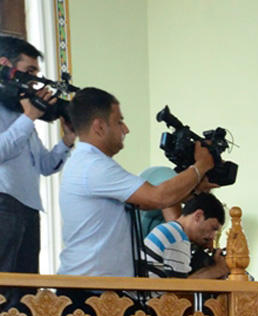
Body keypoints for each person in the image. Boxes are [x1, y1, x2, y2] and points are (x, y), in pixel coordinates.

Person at [58, 87, 214, 277]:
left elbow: (144, 204)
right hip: (91, 287)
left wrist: (195, 188)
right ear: (99, 127)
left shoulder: (89, 163)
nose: (126, 129)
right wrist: (200, 166)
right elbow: (158, 197)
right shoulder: (93, 166)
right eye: (119, 122)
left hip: (99, 286)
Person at [0, 35, 73, 276]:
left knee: (26, 289)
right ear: (5, 65)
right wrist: (29, 117)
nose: (35, 81)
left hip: (29, 208)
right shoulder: (23, 115)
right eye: (29, 71)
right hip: (4, 203)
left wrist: (67, 140)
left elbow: (44, 165)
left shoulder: (22, 112)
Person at [141, 192, 230, 278]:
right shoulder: (177, 239)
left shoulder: (169, 229)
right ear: (198, 216)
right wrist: (217, 269)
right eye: (213, 228)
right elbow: (181, 286)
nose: (212, 236)